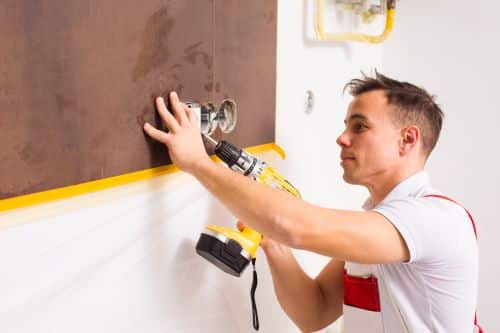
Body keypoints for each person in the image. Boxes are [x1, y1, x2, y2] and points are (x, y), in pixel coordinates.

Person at [143, 72, 479, 333]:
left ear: (407, 140)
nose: (342, 138)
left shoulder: (436, 219)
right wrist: (274, 244)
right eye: (345, 125)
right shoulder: (378, 226)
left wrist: (197, 163)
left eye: (359, 126)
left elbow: (299, 227)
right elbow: (313, 312)